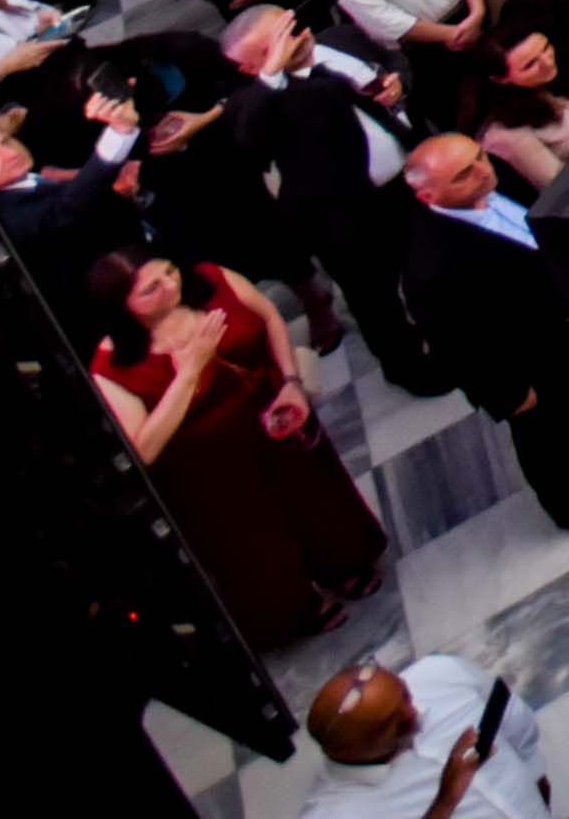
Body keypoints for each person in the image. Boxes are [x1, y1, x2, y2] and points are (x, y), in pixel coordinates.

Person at [92, 246, 391, 641]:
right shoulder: (110, 367)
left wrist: (291, 381)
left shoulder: (212, 278)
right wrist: (189, 372)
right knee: (253, 540)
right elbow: (144, 448)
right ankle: (298, 605)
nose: (170, 285)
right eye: (151, 289)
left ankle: (343, 564)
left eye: (169, 271)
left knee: (316, 496)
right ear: (122, 307)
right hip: (209, 466)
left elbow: (269, 318)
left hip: (273, 417)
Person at [396, 132, 569, 533]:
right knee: (545, 439)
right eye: (462, 175)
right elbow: (457, 346)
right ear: (427, 196)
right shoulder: (431, 266)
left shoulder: (496, 175)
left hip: (560, 330)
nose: (482, 172)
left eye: (479, 157)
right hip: (524, 366)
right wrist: (509, 396)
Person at [298, 655, 556, 819]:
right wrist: (445, 802)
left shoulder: (440, 675)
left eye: (405, 695)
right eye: (393, 723)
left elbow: (517, 726)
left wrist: (536, 775)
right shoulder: (333, 812)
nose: (413, 713)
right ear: (352, 749)